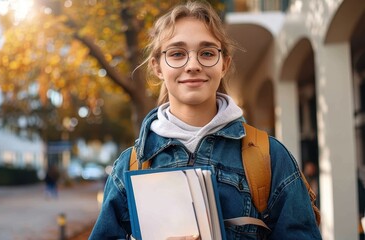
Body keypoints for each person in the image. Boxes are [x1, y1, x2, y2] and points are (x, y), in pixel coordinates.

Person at [89, 1, 322, 239]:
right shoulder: (130, 166)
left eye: (207, 53)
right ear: (157, 67)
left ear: (224, 64)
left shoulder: (270, 157)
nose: (193, 65)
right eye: (177, 54)